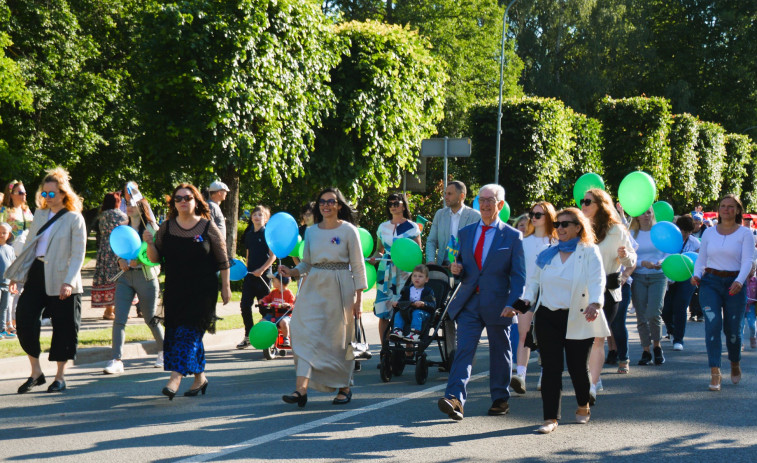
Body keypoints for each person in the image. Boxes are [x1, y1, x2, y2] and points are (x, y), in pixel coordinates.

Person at [438, 184, 525, 421]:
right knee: (464, 350)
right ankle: (455, 399)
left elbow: (519, 277)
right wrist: (457, 269)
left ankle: (500, 398)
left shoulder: (513, 236)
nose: (485, 204)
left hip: (499, 304)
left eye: (491, 200)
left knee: (500, 351)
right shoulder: (465, 233)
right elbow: (461, 268)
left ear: (500, 205)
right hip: (469, 302)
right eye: (481, 199)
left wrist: (513, 304)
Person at [522, 207, 609, 434]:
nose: (560, 228)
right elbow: (533, 283)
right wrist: (522, 303)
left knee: (577, 368)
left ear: (578, 227)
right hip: (547, 316)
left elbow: (598, 280)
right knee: (550, 368)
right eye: (557, 224)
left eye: (565, 224)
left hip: (578, 316)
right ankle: (550, 418)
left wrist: (596, 303)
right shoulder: (547, 253)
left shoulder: (589, 251)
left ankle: (583, 403)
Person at [279, 187, 367, 407]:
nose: (326, 205)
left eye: (331, 202)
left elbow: (358, 266)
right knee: (303, 333)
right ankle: (301, 389)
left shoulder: (349, 230)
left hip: (340, 286)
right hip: (313, 286)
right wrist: (293, 272)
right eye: (322, 202)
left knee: (338, 340)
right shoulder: (311, 232)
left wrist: (359, 299)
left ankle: (344, 387)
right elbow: (307, 262)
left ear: (339, 205)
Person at [143, 183, 231, 399]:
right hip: (175, 291)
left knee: (190, 334)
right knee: (178, 334)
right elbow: (155, 258)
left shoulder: (208, 227)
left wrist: (226, 287)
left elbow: (223, 260)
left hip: (203, 292)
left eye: (188, 198)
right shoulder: (166, 227)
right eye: (178, 198)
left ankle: (175, 378)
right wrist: (149, 244)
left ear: (196, 201)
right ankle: (200, 378)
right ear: (174, 203)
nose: (183, 201)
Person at [6, 167, 87, 393]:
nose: (47, 197)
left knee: (64, 326)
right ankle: (36, 372)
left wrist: (69, 281)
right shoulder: (40, 215)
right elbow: (31, 247)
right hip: (38, 272)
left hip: (64, 277)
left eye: (52, 193)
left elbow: (79, 253)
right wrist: (18, 277)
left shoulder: (74, 218)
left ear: (63, 194)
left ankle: (60, 377)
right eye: (44, 193)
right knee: (24, 317)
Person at [691, 194, 754, 391]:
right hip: (710, 282)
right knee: (713, 325)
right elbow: (701, 260)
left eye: (730, 206)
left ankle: (735, 362)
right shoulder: (709, 233)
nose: (726, 209)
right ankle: (715, 372)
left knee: (733, 331)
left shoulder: (745, 234)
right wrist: (697, 275)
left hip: (735, 283)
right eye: (723, 206)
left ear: (737, 210)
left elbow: (747, 262)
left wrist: (739, 281)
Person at [580, 188, 636, 402]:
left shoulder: (617, 230)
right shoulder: (577, 226)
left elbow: (631, 259)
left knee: (598, 337)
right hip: (581, 290)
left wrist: (625, 256)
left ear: (601, 205)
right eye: (582, 202)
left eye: (588, 202)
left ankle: (592, 384)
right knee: (583, 339)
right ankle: (589, 375)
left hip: (608, 290)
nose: (583, 205)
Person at [103, 185, 165, 374]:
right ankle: (117, 359)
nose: (129, 207)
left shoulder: (152, 228)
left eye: (133, 204)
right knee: (119, 319)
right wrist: (121, 259)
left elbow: (158, 256)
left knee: (150, 318)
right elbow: (118, 249)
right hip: (125, 278)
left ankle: (164, 351)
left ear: (142, 206)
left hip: (146, 277)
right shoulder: (123, 229)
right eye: (127, 204)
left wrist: (140, 257)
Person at [510, 202, 557, 395]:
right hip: (525, 294)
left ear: (549, 217)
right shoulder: (523, 241)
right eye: (532, 214)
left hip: (550, 295)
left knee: (547, 337)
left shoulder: (556, 242)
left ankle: (545, 374)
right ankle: (520, 374)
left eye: (539, 214)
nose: (534, 217)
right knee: (524, 333)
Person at [369, 193, 422, 339]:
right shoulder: (382, 227)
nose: (392, 206)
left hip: (404, 273)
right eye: (390, 203)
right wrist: (374, 258)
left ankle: (408, 347)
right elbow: (379, 251)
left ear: (403, 205)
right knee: (383, 311)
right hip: (385, 273)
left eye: (396, 203)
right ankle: (384, 351)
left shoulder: (412, 227)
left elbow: (417, 253)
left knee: (404, 309)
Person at [630, 207, 668, 366]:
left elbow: (669, 252)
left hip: (658, 276)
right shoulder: (632, 234)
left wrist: (662, 262)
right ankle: (646, 350)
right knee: (641, 315)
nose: (646, 216)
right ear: (636, 216)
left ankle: (657, 346)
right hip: (638, 276)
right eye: (642, 212)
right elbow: (628, 258)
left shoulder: (659, 232)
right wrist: (641, 263)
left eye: (649, 212)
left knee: (653, 312)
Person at [237, 205, 276, 349]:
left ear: (266, 219)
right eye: (255, 214)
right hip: (250, 276)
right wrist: (246, 270)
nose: (257, 217)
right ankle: (248, 336)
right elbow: (248, 255)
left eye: (261, 215)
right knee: (244, 306)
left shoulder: (267, 234)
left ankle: (268, 337)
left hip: (263, 277)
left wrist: (262, 270)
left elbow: (273, 256)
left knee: (264, 308)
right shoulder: (248, 235)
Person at [660, 215, 700, 352]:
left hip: (687, 278)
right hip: (669, 277)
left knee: (680, 306)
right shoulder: (669, 239)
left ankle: (679, 339)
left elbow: (699, 259)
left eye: (689, 231)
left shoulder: (695, 243)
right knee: (665, 309)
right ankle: (671, 330)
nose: (686, 234)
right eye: (684, 231)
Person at [0, 181, 35, 333]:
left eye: (25, 192)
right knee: (9, 288)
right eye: (20, 192)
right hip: (10, 253)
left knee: (22, 290)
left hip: (27, 254)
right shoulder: (5, 210)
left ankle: (16, 319)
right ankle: (7, 322)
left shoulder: (27, 211)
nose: (24, 195)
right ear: (12, 194)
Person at [425, 181, 480, 266]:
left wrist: (460, 264)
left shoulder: (475, 216)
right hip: (442, 268)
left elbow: (477, 246)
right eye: (445, 193)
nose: (446, 197)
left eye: (450, 194)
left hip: (464, 269)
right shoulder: (440, 214)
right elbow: (431, 241)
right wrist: (430, 261)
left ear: (462, 196)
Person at [91, 193, 128, 320]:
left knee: (107, 278)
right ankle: (118, 310)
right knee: (119, 278)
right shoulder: (120, 216)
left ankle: (108, 310)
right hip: (117, 247)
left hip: (104, 248)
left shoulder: (101, 216)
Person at [389, 264, 436, 343]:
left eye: (420, 276)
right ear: (411, 278)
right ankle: (398, 330)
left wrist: (424, 303)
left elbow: (433, 304)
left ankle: (415, 333)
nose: (417, 278)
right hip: (408, 312)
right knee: (398, 313)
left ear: (426, 279)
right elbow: (402, 300)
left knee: (417, 313)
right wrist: (398, 303)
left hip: (423, 313)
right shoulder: (407, 289)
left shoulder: (428, 291)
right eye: (414, 276)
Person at [258, 272, 296, 346]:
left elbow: (293, 304)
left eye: (274, 281)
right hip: (273, 314)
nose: (272, 282)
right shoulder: (274, 292)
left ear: (281, 282)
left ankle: (286, 338)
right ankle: (265, 336)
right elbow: (267, 298)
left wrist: (288, 305)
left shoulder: (288, 293)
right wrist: (263, 301)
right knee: (262, 322)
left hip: (284, 315)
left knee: (283, 323)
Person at [0, 222, 16, 339]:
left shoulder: (10, 249)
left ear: (9, 235)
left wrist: (13, 281)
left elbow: (13, 266)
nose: (1, 235)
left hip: (6, 283)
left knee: (4, 307)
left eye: (4, 233)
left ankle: (2, 329)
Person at [206, 180, 229, 246]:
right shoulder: (211, 206)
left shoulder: (213, 206)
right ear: (219, 193)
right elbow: (209, 227)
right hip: (215, 246)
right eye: (225, 191)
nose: (226, 193)